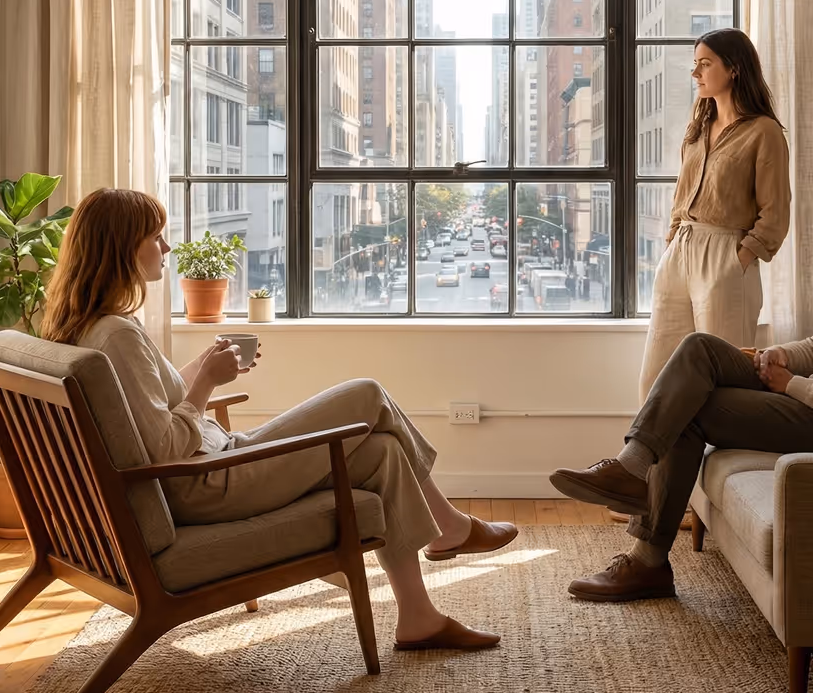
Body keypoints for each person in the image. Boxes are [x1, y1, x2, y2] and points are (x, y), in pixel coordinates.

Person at [41, 188, 518, 651]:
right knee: (368, 394)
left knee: (382, 451)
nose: (166, 247)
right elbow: (165, 448)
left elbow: (154, 407)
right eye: (156, 237)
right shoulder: (119, 336)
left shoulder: (91, 327)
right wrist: (206, 381)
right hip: (207, 484)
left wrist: (205, 365)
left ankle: (418, 617)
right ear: (122, 248)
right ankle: (451, 527)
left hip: (214, 465)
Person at [551, 175, 813, 602]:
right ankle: (632, 468)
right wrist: (779, 355)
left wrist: (793, 386)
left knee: (688, 411)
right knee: (700, 348)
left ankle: (647, 558)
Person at [638, 28, 791, 403]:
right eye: (695, 64)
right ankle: (646, 462)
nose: (696, 73)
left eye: (705, 64)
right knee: (658, 374)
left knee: (723, 379)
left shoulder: (763, 132)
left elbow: (776, 210)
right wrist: (673, 240)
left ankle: (721, 459)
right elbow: (681, 194)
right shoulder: (697, 130)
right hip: (681, 251)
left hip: (725, 253)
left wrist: (740, 258)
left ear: (734, 68)